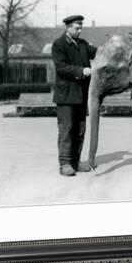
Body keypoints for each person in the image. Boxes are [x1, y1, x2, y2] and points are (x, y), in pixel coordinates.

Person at [51, 15, 97, 176]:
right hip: (66, 95)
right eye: (77, 28)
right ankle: (65, 164)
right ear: (68, 28)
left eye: (81, 27)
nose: (80, 30)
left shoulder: (83, 44)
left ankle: (76, 162)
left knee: (80, 130)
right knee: (67, 130)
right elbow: (61, 67)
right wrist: (81, 71)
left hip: (81, 95)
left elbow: (98, 53)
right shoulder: (59, 45)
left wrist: (110, 44)